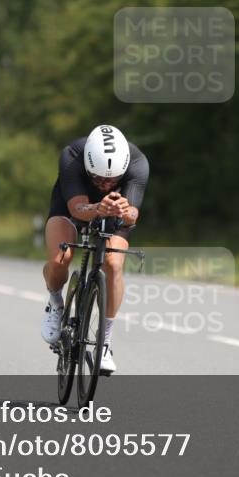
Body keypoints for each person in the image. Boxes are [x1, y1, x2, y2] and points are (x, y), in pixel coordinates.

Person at [40, 124, 149, 374]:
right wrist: (97, 207)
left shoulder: (137, 163)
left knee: (113, 264)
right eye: (98, 178)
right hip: (71, 206)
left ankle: (105, 342)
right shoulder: (72, 157)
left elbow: (133, 214)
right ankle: (55, 302)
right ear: (88, 167)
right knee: (60, 258)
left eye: (112, 180)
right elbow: (78, 209)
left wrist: (124, 210)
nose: (105, 184)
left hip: (113, 211)